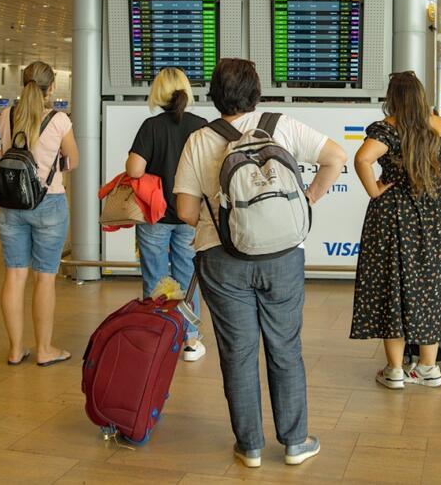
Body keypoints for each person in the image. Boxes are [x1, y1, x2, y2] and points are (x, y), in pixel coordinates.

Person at [175, 59, 347, 468]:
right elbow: (337, 156)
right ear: (256, 92)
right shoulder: (280, 125)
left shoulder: (199, 140)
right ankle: (295, 441)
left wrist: (218, 215)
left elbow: (184, 210)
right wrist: (307, 200)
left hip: (221, 256)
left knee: (237, 352)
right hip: (283, 256)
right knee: (285, 347)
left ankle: (249, 446)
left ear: (214, 94)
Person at [351, 71, 441, 390]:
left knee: (392, 283)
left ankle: (395, 370)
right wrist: (431, 184)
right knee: (429, 283)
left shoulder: (388, 128)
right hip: (429, 214)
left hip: (391, 214)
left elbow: (362, 158)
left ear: (393, 97)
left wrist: (375, 190)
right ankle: (429, 367)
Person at [0, 61, 79, 366]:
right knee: (44, 278)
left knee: (15, 274)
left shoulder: (7, 114)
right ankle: (44, 349)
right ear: (51, 88)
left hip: (10, 202)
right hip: (49, 202)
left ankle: (15, 349)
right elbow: (74, 160)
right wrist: (54, 167)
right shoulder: (59, 120)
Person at [125, 68, 208, 361]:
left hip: (155, 216)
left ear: (158, 93)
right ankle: (190, 340)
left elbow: (134, 170)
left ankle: (157, 335)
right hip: (190, 214)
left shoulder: (151, 127)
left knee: (155, 276)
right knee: (187, 277)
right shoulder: (201, 126)